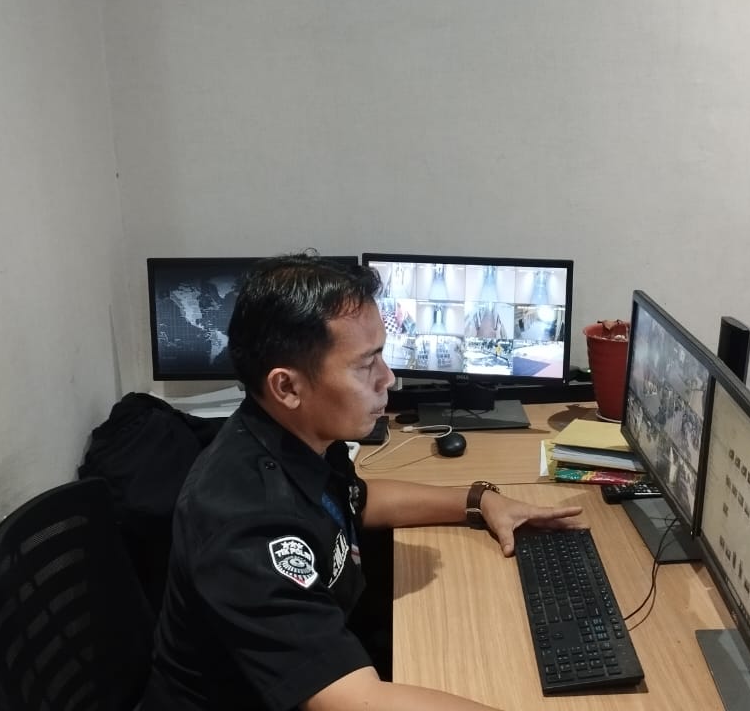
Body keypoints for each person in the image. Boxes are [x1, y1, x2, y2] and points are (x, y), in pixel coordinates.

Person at [142, 253, 585, 711]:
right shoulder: (246, 524)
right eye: (365, 364)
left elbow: (359, 500)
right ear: (287, 387)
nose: (388, 378)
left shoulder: (299, 436)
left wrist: (480, 500)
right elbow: (358, 700)